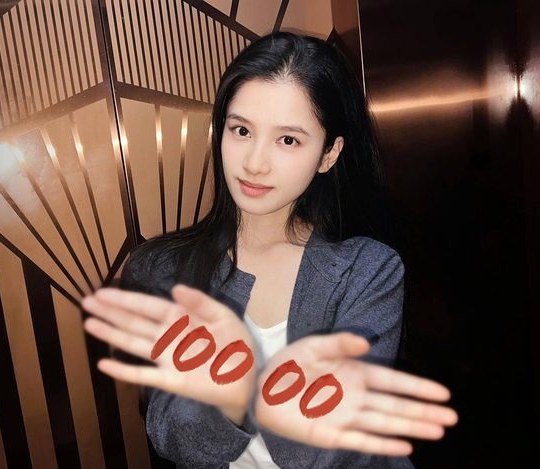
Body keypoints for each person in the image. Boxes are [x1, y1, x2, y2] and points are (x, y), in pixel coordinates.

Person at [82, 31, 458, 468]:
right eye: (241, 130)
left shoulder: (368, 270)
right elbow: (176, 440)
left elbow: (327, 448)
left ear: (329, 153)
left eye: (288, 140)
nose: (255, 163)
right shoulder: (161, 269)